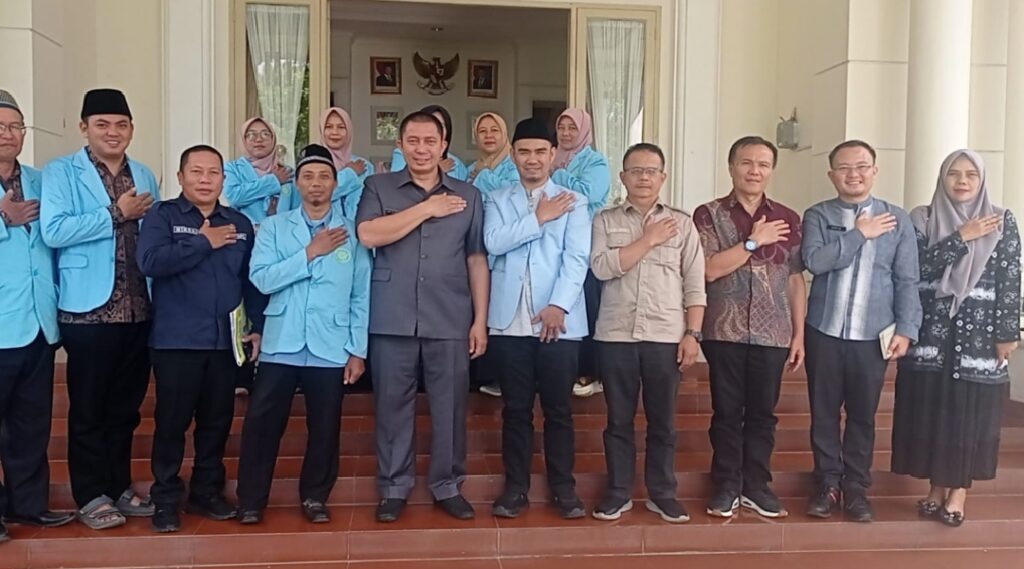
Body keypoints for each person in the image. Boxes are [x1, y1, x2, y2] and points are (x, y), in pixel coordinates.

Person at [357, 112, 489, 523]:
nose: (421, 149)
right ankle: (394, 488)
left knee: (450, 407)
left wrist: (480, 319)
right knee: (392, 406)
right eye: (412, 141)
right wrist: (428, 208)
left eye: (430, 141)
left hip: (450, 315)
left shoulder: (468, 195)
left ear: (443, 144)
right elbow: (369, 234)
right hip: (391, 314)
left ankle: (448, 485)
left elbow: (476, 258)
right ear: (400, 144)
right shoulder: (378, 186)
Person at [41, 88, 161, 529]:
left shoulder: (143, 173)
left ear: (132, 129)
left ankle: (119, 486)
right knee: (89, 408)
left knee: (125, 409)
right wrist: (115, 212)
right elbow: (54, 231)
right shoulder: (62, 172)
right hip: (87, 312)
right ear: (84, 128)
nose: (113, 132)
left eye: (121, 124)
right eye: (102, 124)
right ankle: (91, 494)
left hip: (138, 309)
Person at [237, 144, 370, 525]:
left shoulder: (352, 232)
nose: (316, 183)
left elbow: (361, 294)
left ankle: (315, 496)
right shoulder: (275, 227)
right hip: (283, 340)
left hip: (331, 344)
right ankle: (251, 500)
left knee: (325, 427)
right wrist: (309, 253)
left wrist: (357, 349)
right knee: (263, 424)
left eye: (324, 176)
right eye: (308, 176)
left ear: (335, 183)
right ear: (296, 183)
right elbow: (262, 278)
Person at [136, 145, 266, 532]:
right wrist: (203, 241)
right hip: (177, 341)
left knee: (216, 423)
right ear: (181, 177)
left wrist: (257, 326)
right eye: (196, 172)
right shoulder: (163, 215)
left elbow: (249, 281)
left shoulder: (239, 223)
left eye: (213, 173)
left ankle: (207, 492)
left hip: (225, 343)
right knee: (172, 423)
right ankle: (165, 499)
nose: (205, 180)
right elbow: (150, 262)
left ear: (224, 179)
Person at [892, 149, 1020, 527]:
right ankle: (935, 488)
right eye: (954, 173)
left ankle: (958, 493)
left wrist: (1007, 333)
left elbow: (1010, 278)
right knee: (934, 413)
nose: (962, 181)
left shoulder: (1000, 220)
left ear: (981, 180)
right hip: (931, 335)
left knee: (968, 415)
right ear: (942, 178)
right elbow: (914, 269)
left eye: (970, 175)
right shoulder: (922, 218)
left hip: (979, 336)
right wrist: (961, 237)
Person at [802, 139, 922, 522]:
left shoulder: (897, 219)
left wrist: (907, 328)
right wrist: (859, 234)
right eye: (844, 167)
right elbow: (815, 261)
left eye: (861, 166)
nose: (853, 174)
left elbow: (907, 279)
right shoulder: (818, 215)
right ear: (831, 174)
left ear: (874, 170)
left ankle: (855, 488)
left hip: (872, 337)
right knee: (823, 413)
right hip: (824, 331)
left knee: (862, 416)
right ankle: (827, 484)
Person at [590, 143, 706, 524]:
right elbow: (601, 268)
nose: (643, 177)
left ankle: (662, 493)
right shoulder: (605, 221)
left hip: (665, 335)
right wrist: (648, 240)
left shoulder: (682, 223)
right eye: (636, 170)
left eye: (651, 171)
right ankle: (618, 492)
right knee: (618, 421)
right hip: (616, 336)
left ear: (663, 177)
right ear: (622, 177)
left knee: (663, 422)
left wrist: (693, 333)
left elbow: (695, 284)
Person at [693, 136, 806, 519]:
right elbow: (709, 269)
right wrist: (754, 242)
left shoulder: (788, 218)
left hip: (773, 333)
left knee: (762, 414)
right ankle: (726, 485)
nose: (754, 171)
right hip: (724, 329)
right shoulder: (708, 215)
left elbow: (794, 279)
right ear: (731, 167)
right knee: (726, 411)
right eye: (746, 163)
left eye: (763, 164)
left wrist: (799, 334)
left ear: (771, 170)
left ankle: (756, 486)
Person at [485, 118, 591, 520]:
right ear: (513, 155)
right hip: (510, 321)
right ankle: (516, 489)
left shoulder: (574, 201)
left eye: (540, 152)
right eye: (524, 151)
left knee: (559, 409)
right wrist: (539, 218)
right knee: (515, 409)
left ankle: (564, 489)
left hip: (559, 323)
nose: (532, 159)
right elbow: (493, 242)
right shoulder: (496, 199)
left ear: (553, 155)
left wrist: (559, 305)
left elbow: (577, 259)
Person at [0, 89, 74, 544]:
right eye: (0, 127)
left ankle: (28, 505)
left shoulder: (41, 180)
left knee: (31, 422)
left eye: (15, 127)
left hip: (39, 322)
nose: (9, 134)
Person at [552, 109, 612, 399]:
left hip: (587, 242)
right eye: (561, 127)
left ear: (584, 130)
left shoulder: (595, 161)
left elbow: (588, 193)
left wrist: (557, 173)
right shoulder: (553, 156)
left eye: (572, 128)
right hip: (557, 241)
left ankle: (590, 372)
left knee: (588, 305)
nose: (565, 133)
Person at [284, 107, 373, 219]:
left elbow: (371, 203)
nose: (335, 132)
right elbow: (311, 196)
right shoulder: (312, 164)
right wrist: (350, 174)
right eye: (329, 127)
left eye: (341, 127)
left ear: (349, 131)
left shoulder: (364, 165)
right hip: (319, 226)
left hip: (357, 228)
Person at [224, 117, 294, 227]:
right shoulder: (233, 169)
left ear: (273, 139)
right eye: (252, 135)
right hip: (245, 232)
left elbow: (297, 208)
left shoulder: (287, 172)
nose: (259, 140)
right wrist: (273, 181)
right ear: (243, 140)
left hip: (282, 233)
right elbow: (234, 196)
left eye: (265, 134)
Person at [389, 105, 470, 181]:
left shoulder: (456, 163)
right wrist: (435, 172)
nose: (434, 129)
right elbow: (395, 183)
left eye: (441, 125)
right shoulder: (402, 153)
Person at [466, 112, 518, 194]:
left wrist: (483, 175)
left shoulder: (515, 164)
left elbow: (516, 191)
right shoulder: (472, 169)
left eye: (494, 130)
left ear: (504, 134)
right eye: (482, 131)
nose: (488, 135)